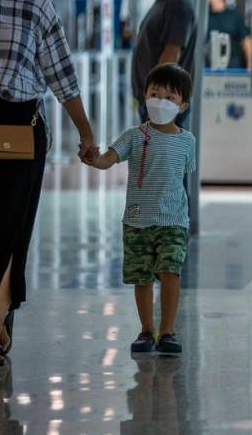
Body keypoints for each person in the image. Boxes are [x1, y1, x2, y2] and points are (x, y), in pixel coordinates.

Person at [0, 0, 97, 366]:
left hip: (20, 127)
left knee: (12, 226)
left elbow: (62, 76)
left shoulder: (35, 2)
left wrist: (86, 134)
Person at [85, 64, 196, 354]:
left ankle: (168, 331)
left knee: (171, 271)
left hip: (174, 220)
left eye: (170, 98)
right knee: (142, 276)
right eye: (154, 93)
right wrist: (94, 159)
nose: (160, 101)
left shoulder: (187, 141)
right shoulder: (134, 136)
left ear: (183, 105)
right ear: (144, 96)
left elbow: (183, 175)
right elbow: (109, 159)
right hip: (137, 220)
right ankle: (147, 330)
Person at [131, 0, 196, 127]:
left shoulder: (178, 6)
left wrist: (156, 97)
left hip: (164, 103)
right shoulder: (162, 3)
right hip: (155, 100)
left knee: (163, 154)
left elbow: (171, 54)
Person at [207, 0, 252, 70]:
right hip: (209, 62)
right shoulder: (205, 17)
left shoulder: (234, 17)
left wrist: (250, 63)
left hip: (233, 63)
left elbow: (246, 40)